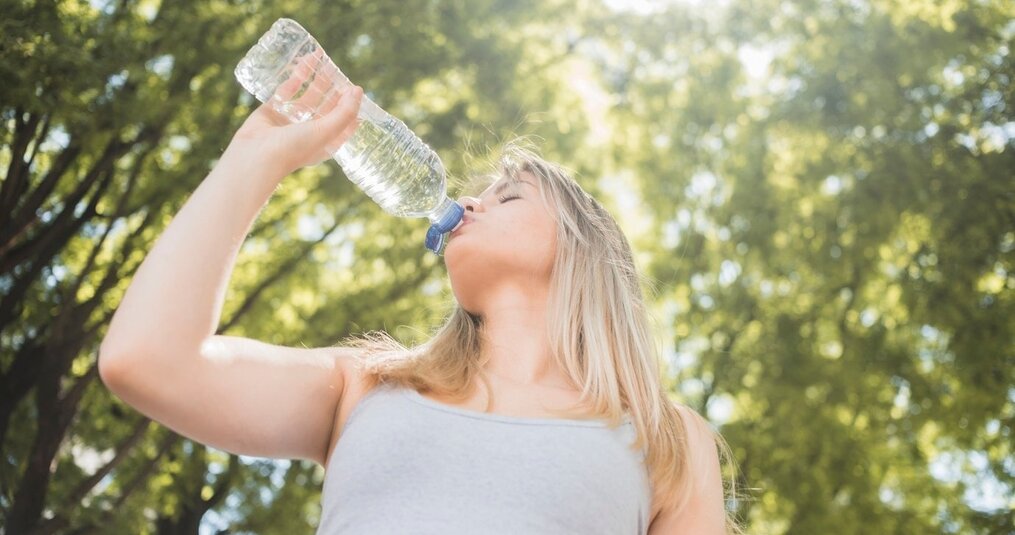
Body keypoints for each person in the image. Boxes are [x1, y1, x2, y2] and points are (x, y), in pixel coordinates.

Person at [99, 82, 741, 534]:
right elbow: (147, 360)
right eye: (476, 193)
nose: (473, 204)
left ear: (583, 251)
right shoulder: (364, 386)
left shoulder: (667, 439)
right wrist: (254, 158)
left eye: (509, 196)